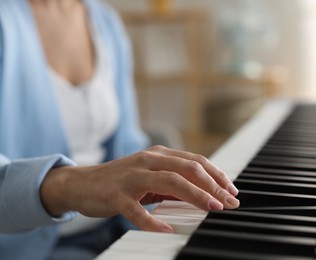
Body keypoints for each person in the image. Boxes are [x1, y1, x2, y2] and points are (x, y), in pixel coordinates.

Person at [0, 0, 240, 259]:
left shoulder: (105, 21)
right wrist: (71, 185)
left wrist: (177, 203)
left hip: (115, 230)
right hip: (35, 248)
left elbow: (127, 145)